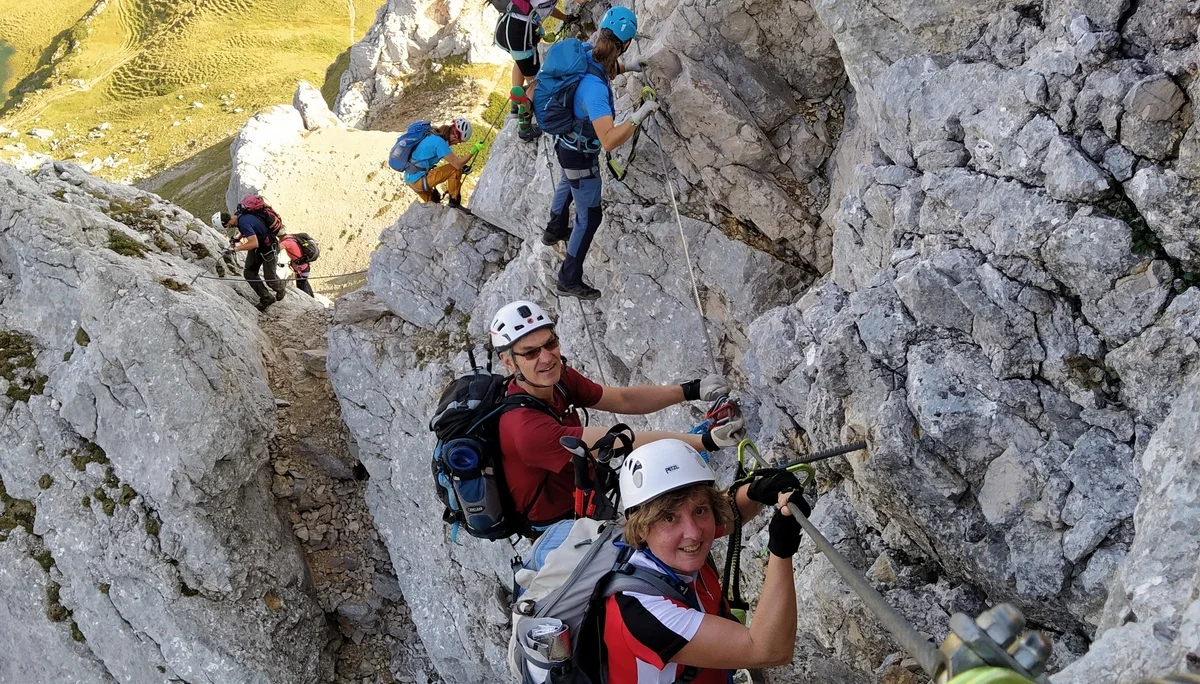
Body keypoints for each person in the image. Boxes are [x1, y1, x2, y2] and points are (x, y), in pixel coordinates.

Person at [489, 299, 743, 533]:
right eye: (531, 352)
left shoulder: (559, 379)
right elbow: (621, 440)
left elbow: (622, 399)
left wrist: (692, 390)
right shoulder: (524, 429)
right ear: (509, 362)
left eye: (550, 344)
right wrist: (705, 442)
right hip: (557, 527)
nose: (546, 357)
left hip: (589, 497)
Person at [604, 438, 804, 682]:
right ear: (641, 528)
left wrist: (758, 490)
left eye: (700, 511)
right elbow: (769, 650)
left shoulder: (667, 550)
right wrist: (782, 548)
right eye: (669, 518)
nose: (694, 533)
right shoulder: (642, 611)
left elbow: (731, 512)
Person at [543, 6, 659, 300]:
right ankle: (568, 278)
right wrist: (639, 115)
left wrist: (629, 67)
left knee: (566, 182)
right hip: (581, 157)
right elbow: (608, 140)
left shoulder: (584, 51)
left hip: (566, 145)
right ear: (626, 44)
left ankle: (554, 229)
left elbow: (603, 65)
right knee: (589, 217)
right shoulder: (594, 91)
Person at [493, 0, 578, 141]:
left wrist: (565, 18)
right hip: (520, 33)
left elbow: (546, 7)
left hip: (508, 28)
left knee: (520, 62)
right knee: (534, 84)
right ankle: (525, 128)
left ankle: (516, 104)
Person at [404, 117, 482, 209]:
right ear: (455, 136)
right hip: (419, 181)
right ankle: (455, 204)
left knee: (434, 206)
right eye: (459, 141)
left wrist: (462, 167)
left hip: (410, 179)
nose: (457, 144)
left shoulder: (433, 136)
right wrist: (474, 150)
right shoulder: (440, 143)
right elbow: (457, 164)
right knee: (455, 169)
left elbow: (451, 161)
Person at [222, 210, 286, 311]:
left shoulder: (243, 222)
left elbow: (253, 243)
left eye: (227, 226)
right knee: (249, 273)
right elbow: (250, 229)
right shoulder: (239, 216)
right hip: (259, 248)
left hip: (269, 248)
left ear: (227, 222)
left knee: (269, 278)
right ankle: (267, 298)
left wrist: (234, 249)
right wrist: (238, 238)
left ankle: (281, 287)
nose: (228, 228)